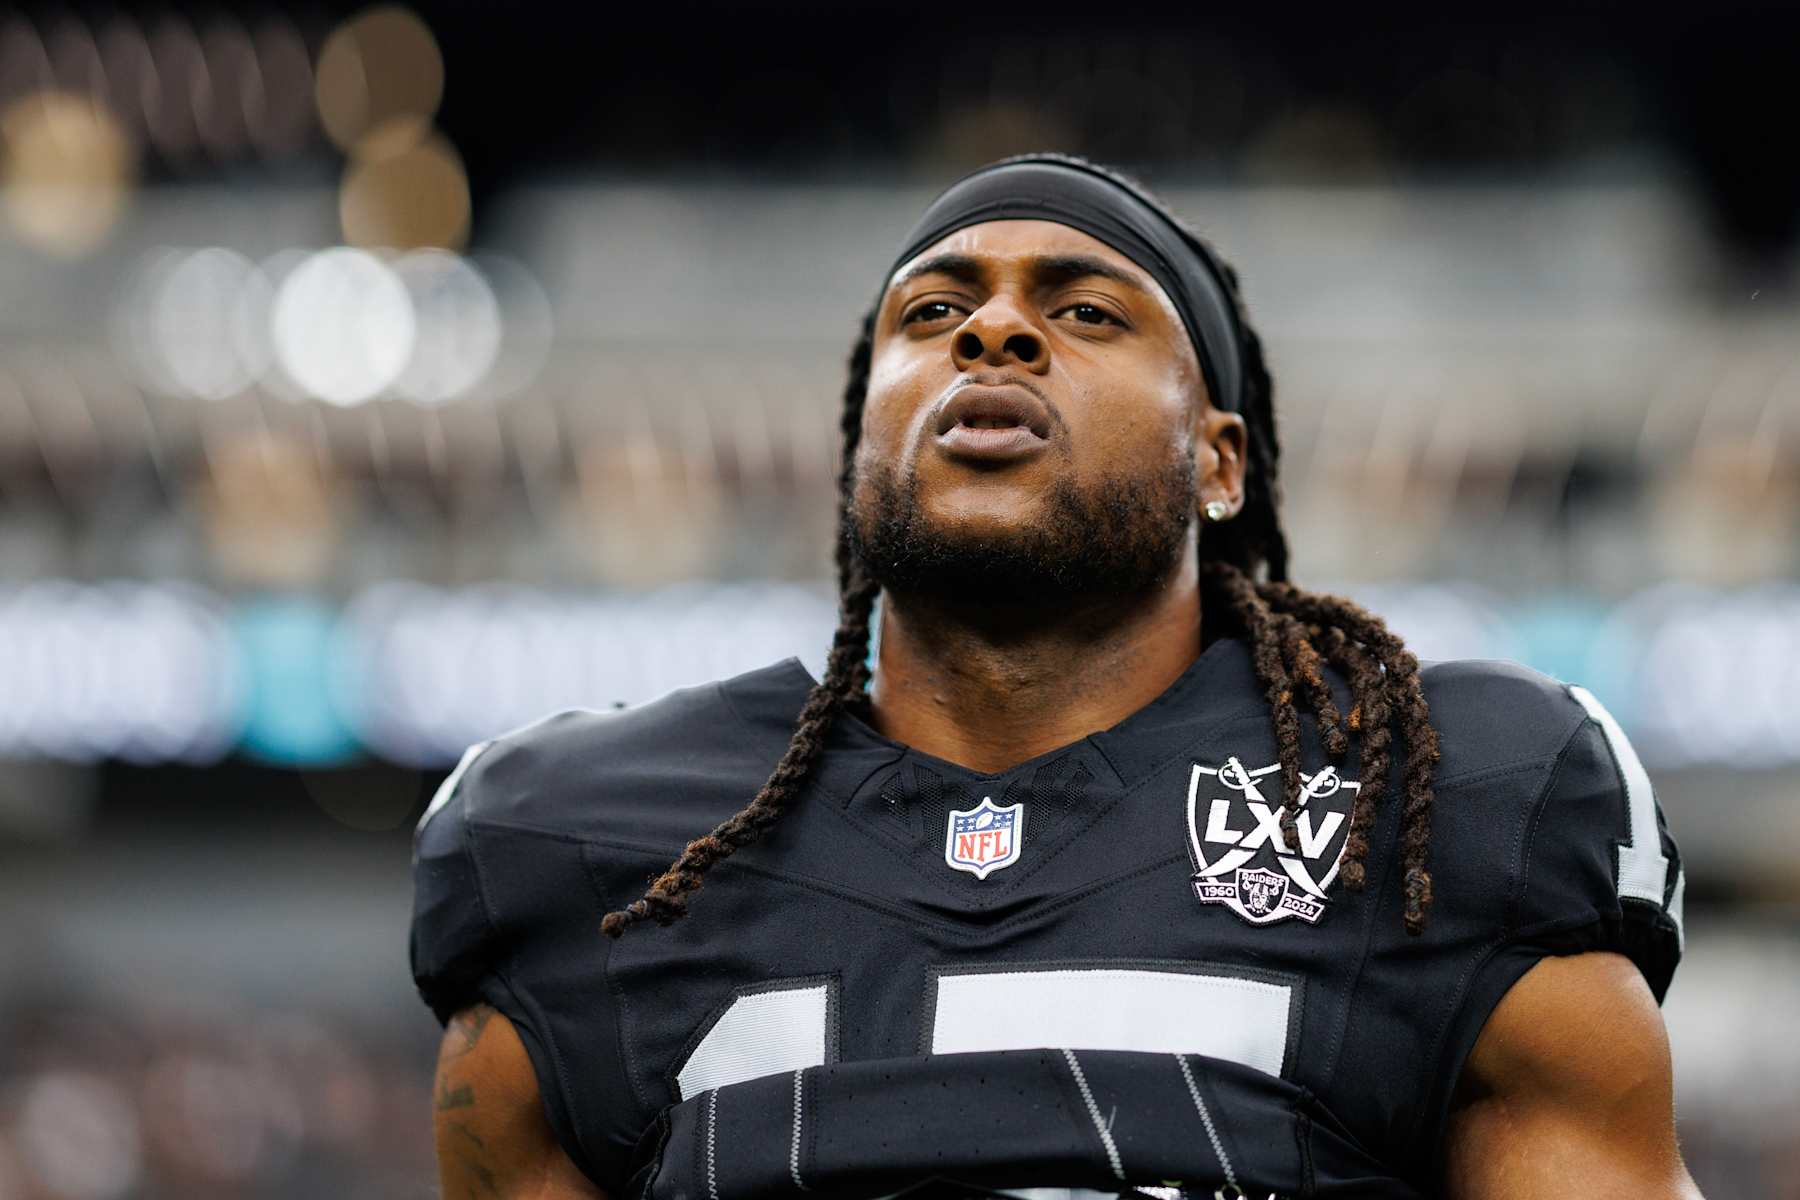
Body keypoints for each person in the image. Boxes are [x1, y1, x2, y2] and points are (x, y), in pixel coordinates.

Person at [411, 152, 1698, 1199]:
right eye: (933, 313)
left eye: (1083, 311)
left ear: (1221, 463)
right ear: (860, 446)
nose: (994, 330)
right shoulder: (587, 844)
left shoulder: (1438, 801)